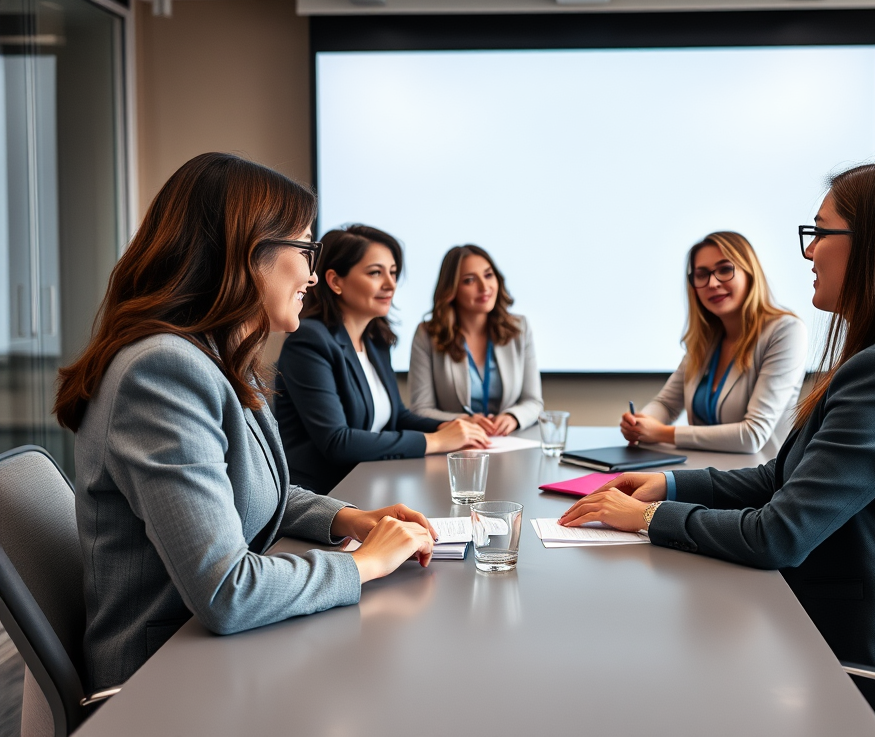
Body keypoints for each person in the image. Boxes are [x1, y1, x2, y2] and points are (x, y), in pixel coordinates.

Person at [559, 161, 875, 737]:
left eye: (821, 232)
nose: (809, 252)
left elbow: (779, 535)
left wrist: (649, 518)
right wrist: (670, 484)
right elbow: (782, 477)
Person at [55, 153, 439, 692]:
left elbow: (255, 490)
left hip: (219, 656)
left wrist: (350, 519)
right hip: (162, 683)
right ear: (246, 250)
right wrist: (364, 565)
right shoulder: (163, 372)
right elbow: (226, 592)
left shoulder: (221, 357)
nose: (311, 274)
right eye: (305, 249)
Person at [275, 226, 488, 493]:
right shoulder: (308, 341)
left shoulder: (375, 339)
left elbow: (397, 416)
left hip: (371, 484)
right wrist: (435, 441)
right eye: (375, 272)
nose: (390, 284)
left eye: (393, 272)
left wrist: (453, 425)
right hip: (324, 496)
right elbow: (337, 442)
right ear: (335, 281)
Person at [620, 231, 807, 455]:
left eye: (725, 269)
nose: (712, 283)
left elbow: (752, 435)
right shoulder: (706, 339)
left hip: (761, 481)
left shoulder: (786, 331)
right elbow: (666, 404)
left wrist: (661, 433)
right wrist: (640, 423)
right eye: (702, 274)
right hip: (702, 474)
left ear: (750, 273)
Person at [409, 244, 543, 435]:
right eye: (469, 280)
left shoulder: (519, 328)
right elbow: (420, 410)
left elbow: (534, 402)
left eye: (488, 275)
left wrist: (513, 417)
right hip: (456, 448)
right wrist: (464, 421)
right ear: (451, 290)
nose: (484, 287)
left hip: (509, 443)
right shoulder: (427, 335)